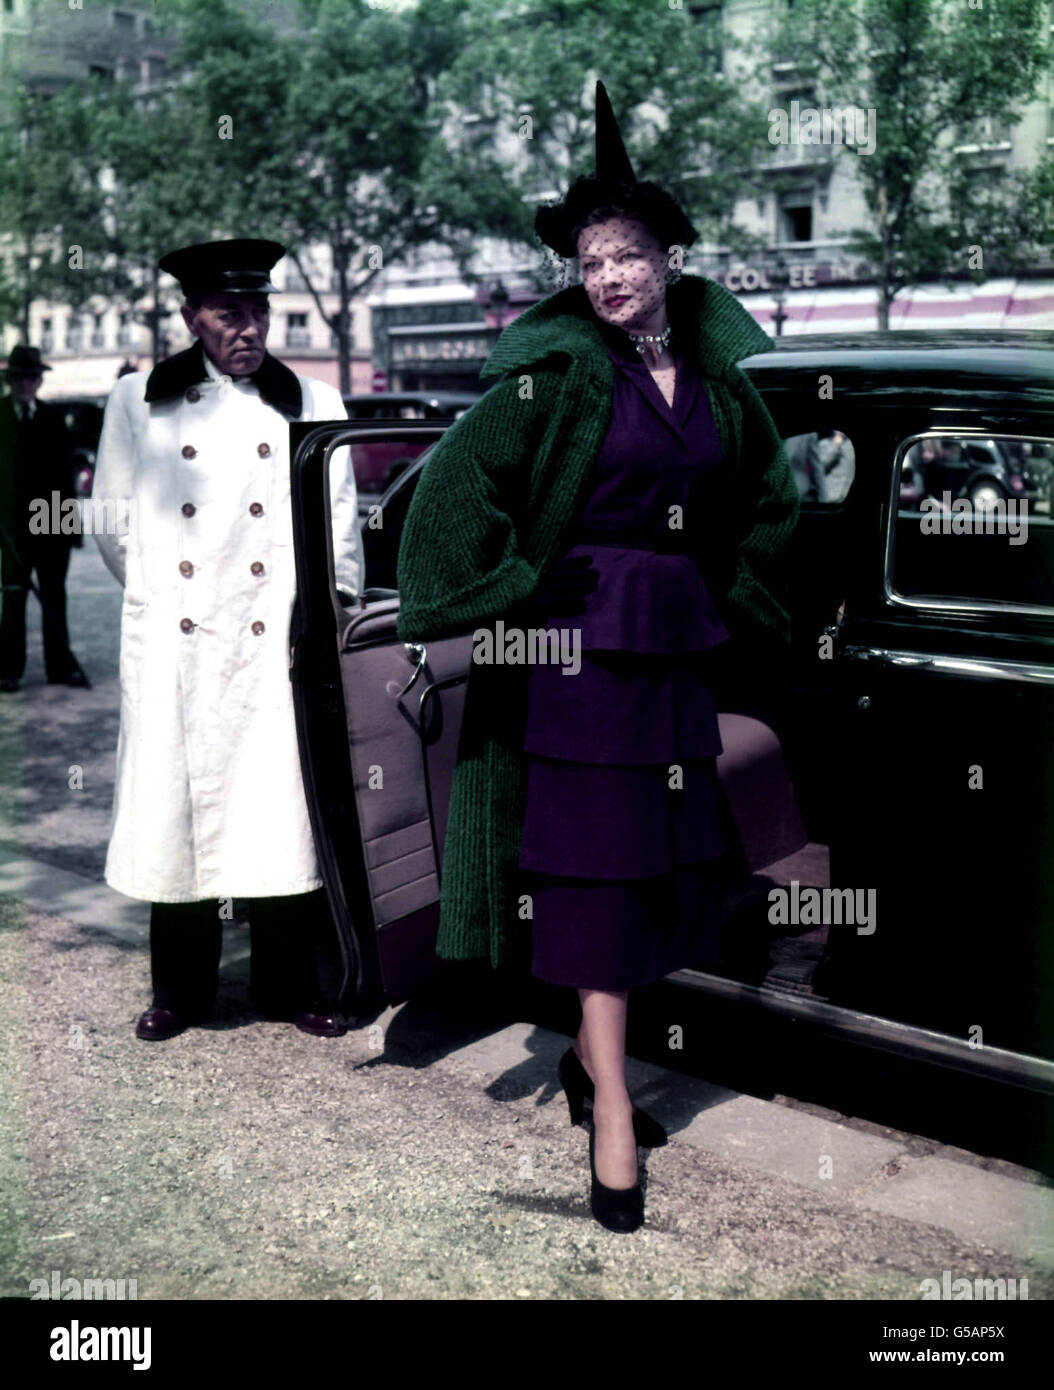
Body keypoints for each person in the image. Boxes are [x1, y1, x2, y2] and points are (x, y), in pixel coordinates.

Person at [395, 83, 799, 1232]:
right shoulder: (561, 375)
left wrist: (743, 594)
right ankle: (614, 1107)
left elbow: (765, 498)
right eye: (591, 261)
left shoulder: (715, 378)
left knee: (660, 872)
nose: (610, 277)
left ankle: (588, 1055)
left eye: (627, 255)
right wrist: (501, 586)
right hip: (577, 656)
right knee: (592, 874)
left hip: (672, 652)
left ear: (669, 256)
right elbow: (457, 489)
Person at [91, 239, 363, 1041]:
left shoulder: (314, 402)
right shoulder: (139, 401)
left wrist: (325, 616)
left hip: (270, 643)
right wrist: (160, 598)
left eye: (257, 311)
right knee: (174, 812)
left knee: (277, 810)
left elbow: (339, 528)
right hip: (178, 643)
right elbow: (110, 521)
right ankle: (180, 992)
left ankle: (287, 986)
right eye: (227, 314)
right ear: (191, 318)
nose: (246, 329)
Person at [0, 345, 85, 692]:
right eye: (19, 378)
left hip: (50, 522)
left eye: (32, 378)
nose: (25, 384)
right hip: (11, 529)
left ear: (39, 381)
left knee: (54, 595)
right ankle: (7, 670)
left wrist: (71, 527)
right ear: (10, 380)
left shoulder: (53, 418)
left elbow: (65, 478)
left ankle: (60, 668)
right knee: (14, 596)